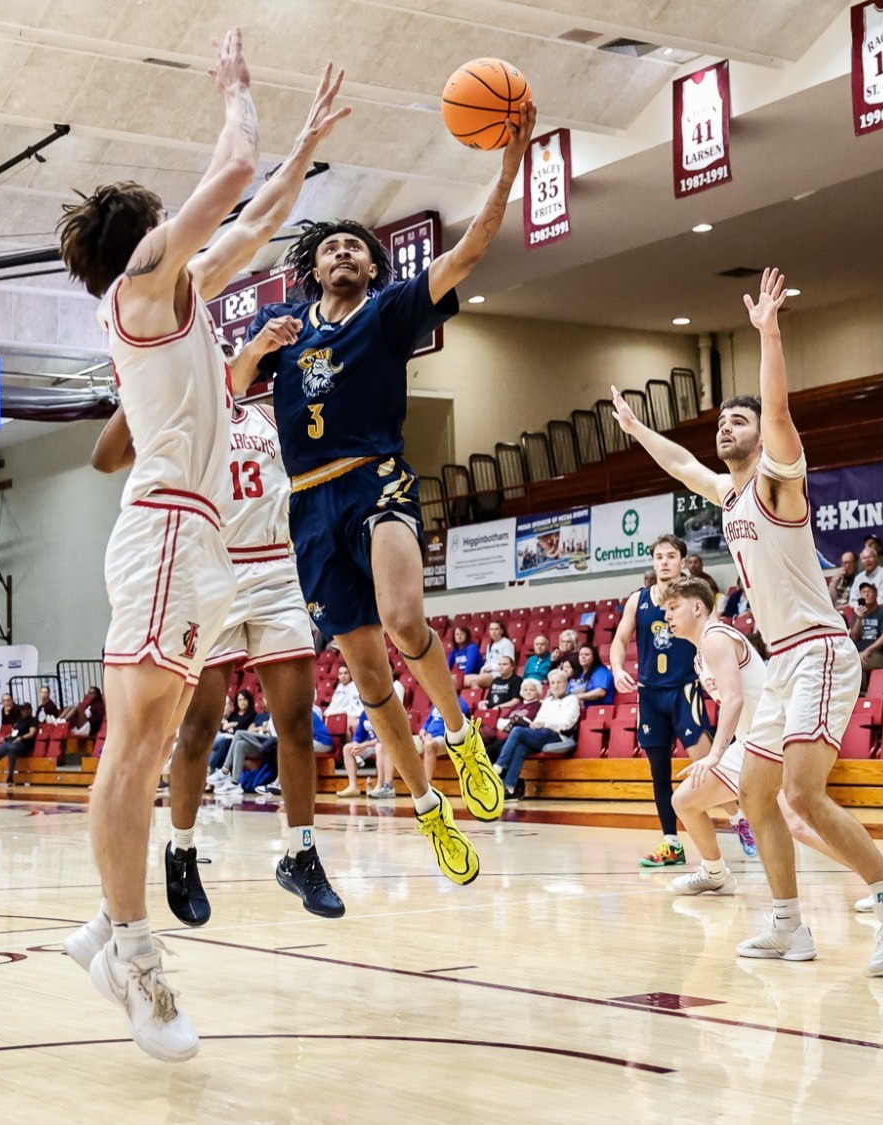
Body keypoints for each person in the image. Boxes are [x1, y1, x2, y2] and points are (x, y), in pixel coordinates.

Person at [54, 30, 306, 1063]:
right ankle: (129, 955)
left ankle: (104, 936)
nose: (183, 222)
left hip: (198, 546)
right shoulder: (138, 293)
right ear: (145, 238)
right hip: (165, 532)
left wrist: (311, 146)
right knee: (136, 746)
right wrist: (236, 91)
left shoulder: (184, 293)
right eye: (167, 218)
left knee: (151, 747)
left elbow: (259, 212)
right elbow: (233, 173)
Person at [238, 88, 537, 891]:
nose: (341, 253)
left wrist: (510, 161)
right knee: (369, 683)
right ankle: (428, 807)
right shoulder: (288, 334)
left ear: (373, 266)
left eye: (354, 247)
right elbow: (230, 386)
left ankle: (464, 732)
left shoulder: (392, 309)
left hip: (376, 476)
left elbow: (472, 247)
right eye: (330, 246)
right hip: (308, 502)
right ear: (312, 268)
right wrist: (258, 346)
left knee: (407, 621)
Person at [611, 267, 883, 974]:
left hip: (820, 652)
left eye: (740, 419)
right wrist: (638, 429)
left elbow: (782, 412)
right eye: (723, 419)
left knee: (799, 795)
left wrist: (769, 333)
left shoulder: (776, 483)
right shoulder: (727, 497)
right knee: (757, 792)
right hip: (783, 660)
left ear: (762, 437)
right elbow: (681, 464)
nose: (728, 425)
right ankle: (789, 924)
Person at [94, 259, 355, 928]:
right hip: (209, 567)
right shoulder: (185, 403)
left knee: (296, 720)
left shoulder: (269, 412)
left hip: (274, 570)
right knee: (199, 727)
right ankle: (181, 849)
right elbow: (104, 452)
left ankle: (301, 852)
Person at [660, 576, 866, 911]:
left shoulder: (716, 638)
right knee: (684, 801)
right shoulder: (701, 653)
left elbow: (734, 700)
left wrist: (714, 755)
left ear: (697, 607)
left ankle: (878, 882)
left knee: (798, 823)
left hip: (771, 737)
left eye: (672, 607)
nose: (667, 616)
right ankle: (715, 874)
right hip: (748, 742)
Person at [611, 534, 717, 869]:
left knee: (708, 765)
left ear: (682, 561)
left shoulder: (694, 596)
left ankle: (742, 820)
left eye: (671, 556)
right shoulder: (637, 600)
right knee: (659, 773)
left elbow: (713, 633)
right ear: (653, 561)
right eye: (659, 556)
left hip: (685, 690)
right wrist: (616, 668)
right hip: (650, 695)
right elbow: (619, 638)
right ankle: (671, 842)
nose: (665, 562)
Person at [494, 668, 580, 800]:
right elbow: (539, 719)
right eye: (553, 683)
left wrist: (545, 724)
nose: (556, 686)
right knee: (520, 747)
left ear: (566, 683)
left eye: (559, 682)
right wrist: (535, 724)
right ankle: (510, 788)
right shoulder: (547, 702)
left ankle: (499, 765)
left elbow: (567, 724)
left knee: (517, 731)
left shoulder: (572, 700)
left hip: (558, 735)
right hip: (541, 734)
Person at [851, 584, 883, 689]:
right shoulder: (858, 614)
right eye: (863, 592)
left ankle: (862, 693)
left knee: (855, 663)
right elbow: (855, 636)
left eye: (869, 591)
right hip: (860, 654)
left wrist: (868, 650)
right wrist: (859, 619)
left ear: (876, 595)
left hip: (881, 654)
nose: (866, 594)